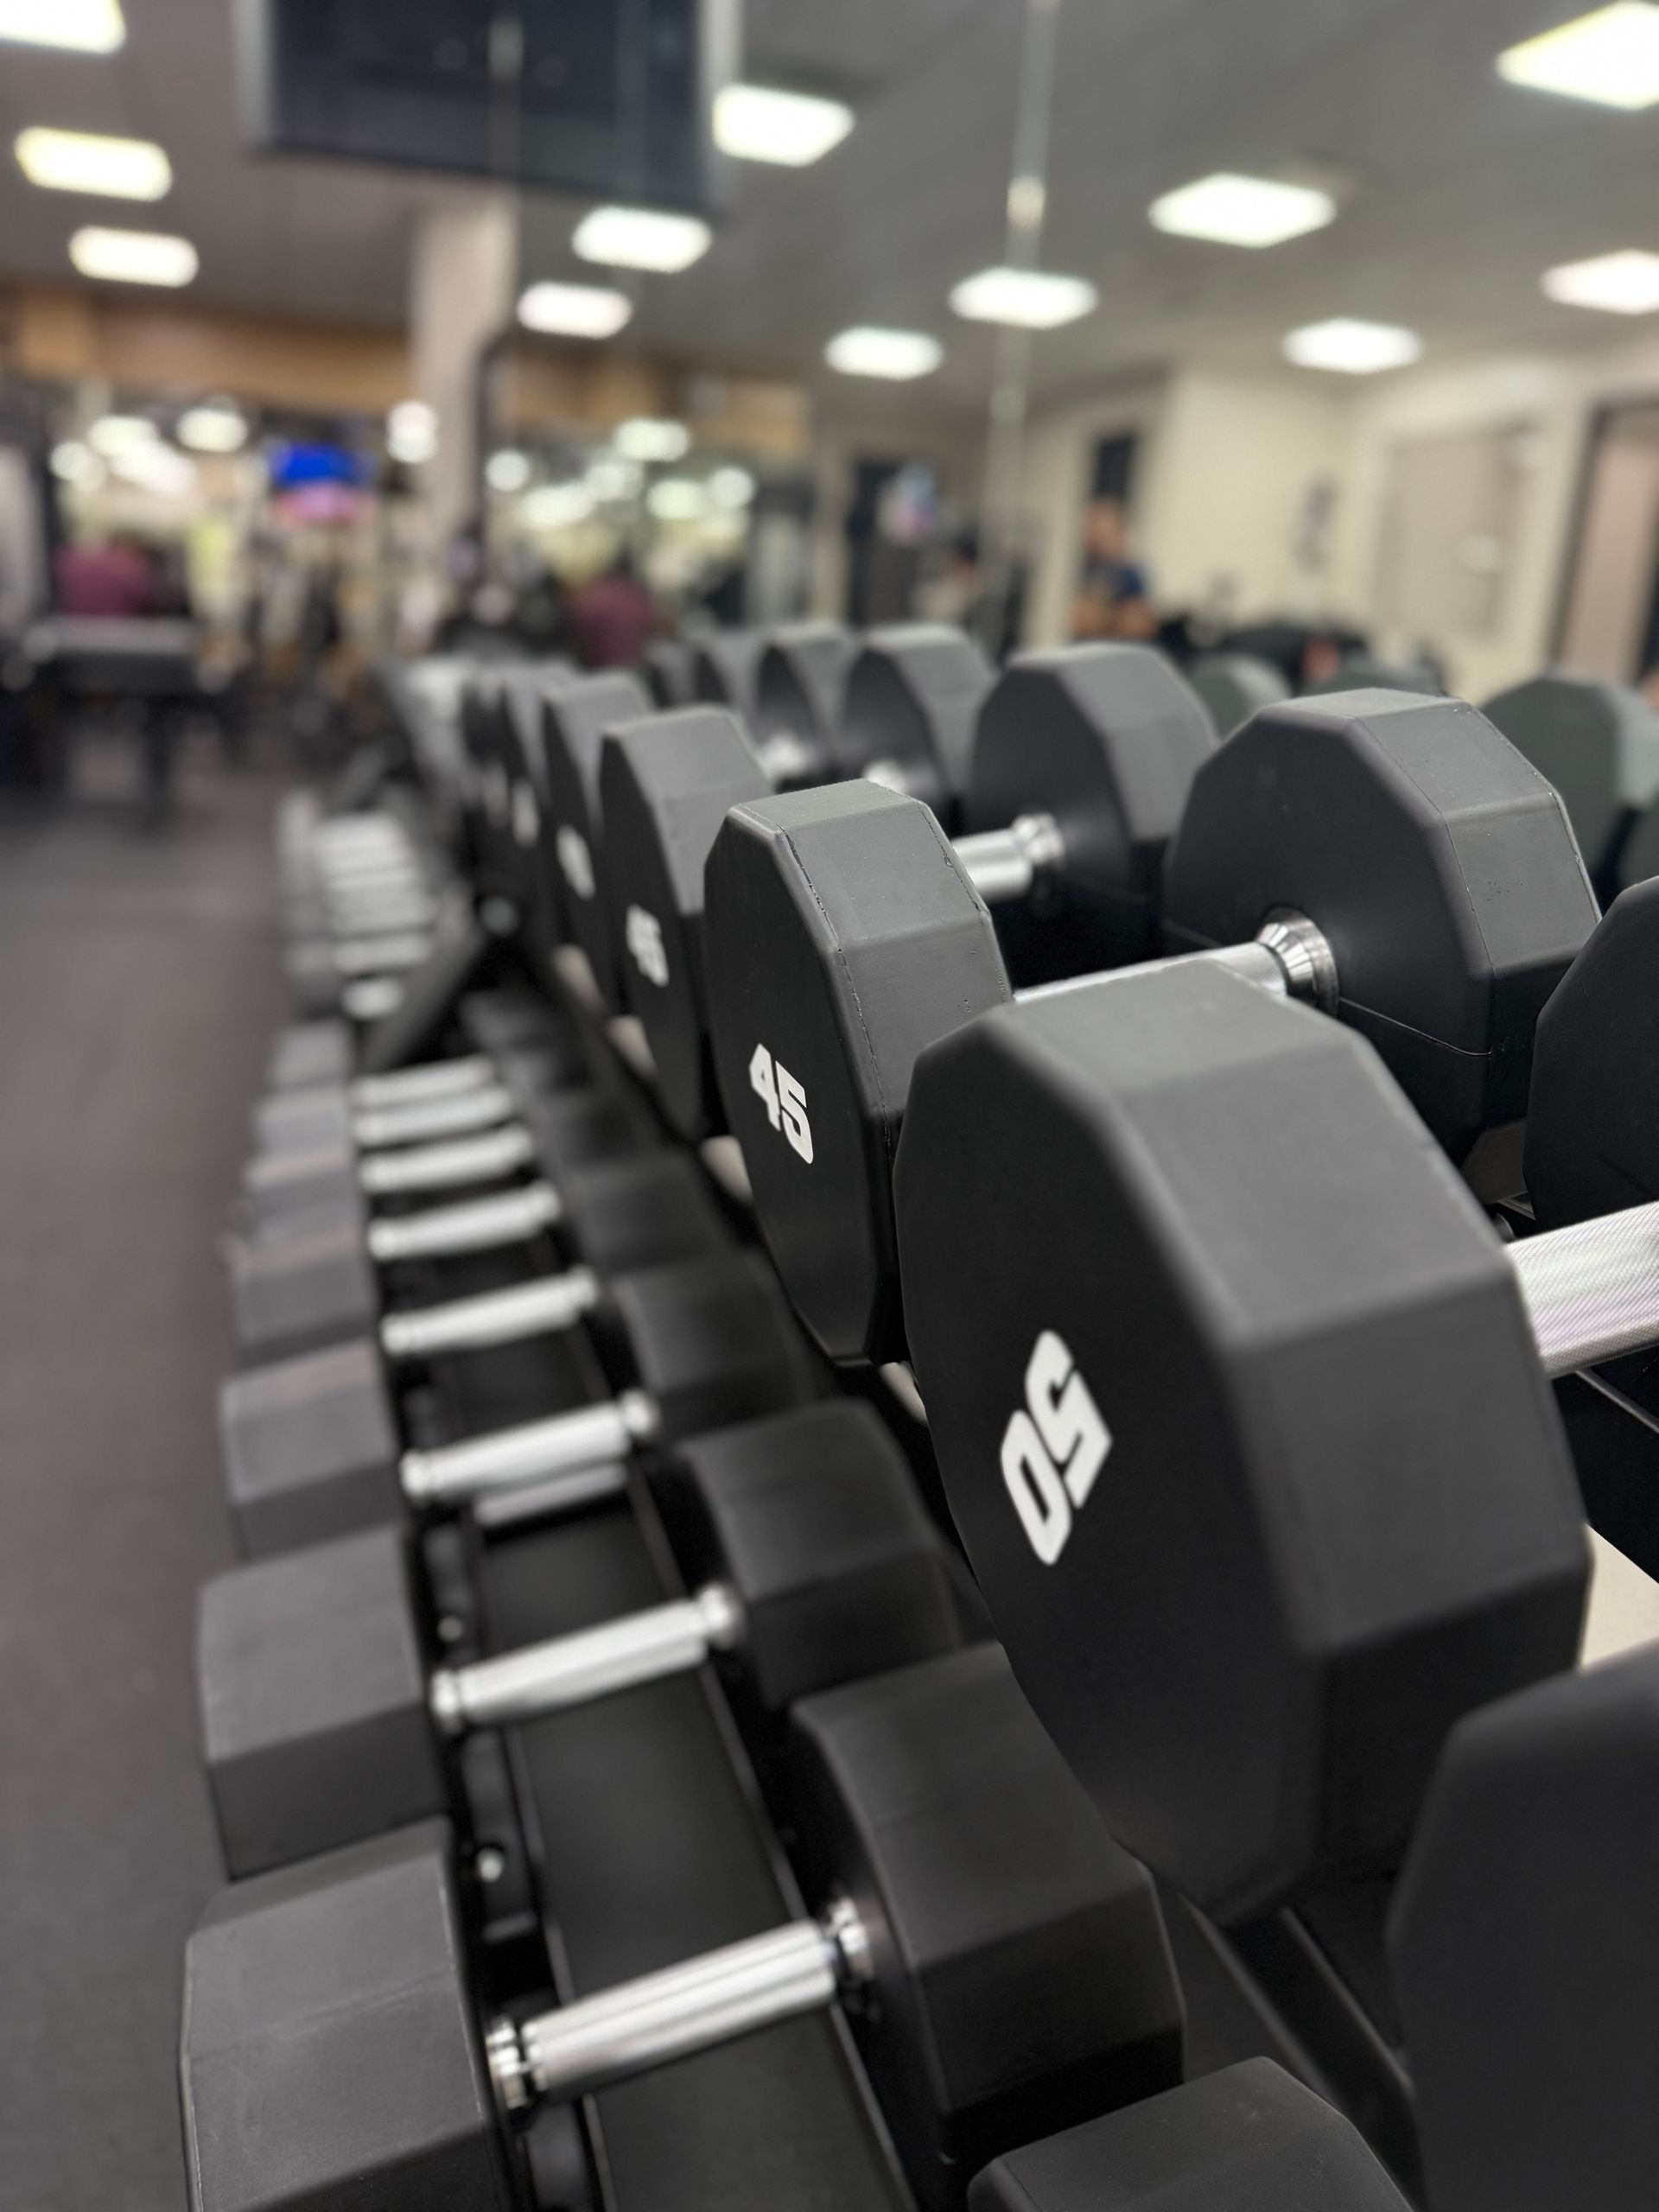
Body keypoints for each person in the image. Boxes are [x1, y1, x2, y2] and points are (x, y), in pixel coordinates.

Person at [1070, 498, 1156, 641]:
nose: (1090, 535)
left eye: (1096, 527)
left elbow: (1138, 626)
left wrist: (1105, 618)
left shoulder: (1130, 576)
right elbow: (1080, 620)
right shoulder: (1095, 572)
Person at [569, 548, 656, 669]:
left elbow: (579, 627)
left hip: (603, 669)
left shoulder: (596, 597)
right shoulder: (636, 595)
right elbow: (650, 626)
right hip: (634, 666)